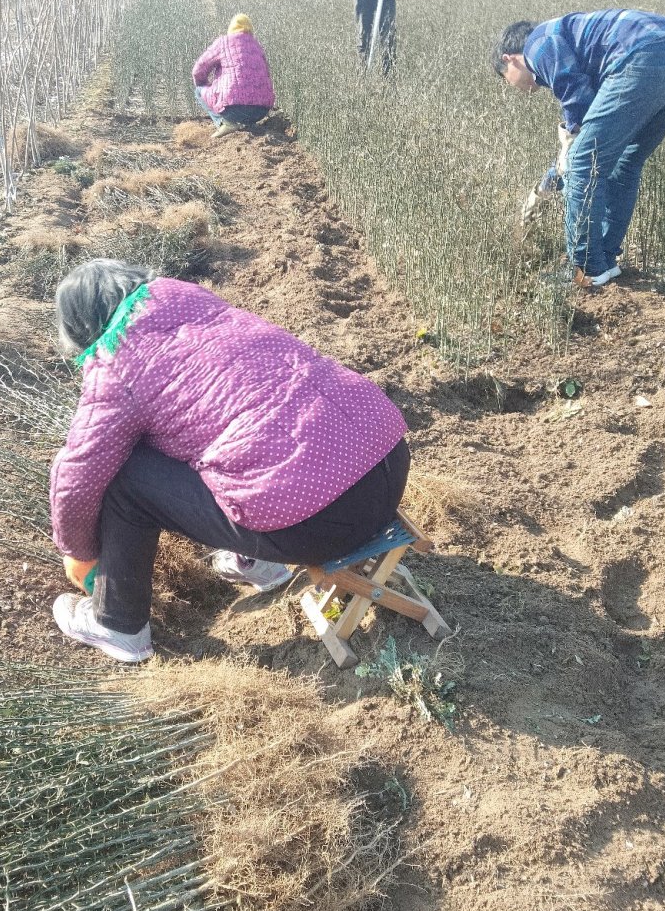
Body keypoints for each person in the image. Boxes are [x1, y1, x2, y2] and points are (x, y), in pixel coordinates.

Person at [50, 260, 410, 663]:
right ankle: (256, 563)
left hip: (320, 525)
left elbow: (78, 474)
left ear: (82, 329)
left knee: (126, 475)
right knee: (212, 425)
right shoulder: (190, 301)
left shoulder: (115, 364)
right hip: (387, 470)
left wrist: (78, 552)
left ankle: (118, 624)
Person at [492, 10, 665, 287]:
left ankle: (584, 268)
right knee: (625, 161)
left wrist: (568, 156)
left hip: (646, 56)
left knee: (583, 163)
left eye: (507, 79)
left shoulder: (538, 43)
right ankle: (604, 262)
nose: (516, 88)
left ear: (508, 60)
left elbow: (577, 100)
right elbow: (595, 121)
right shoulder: (582, 50)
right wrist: (556, 173)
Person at [192, 13, 275, 139]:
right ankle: (248, 125)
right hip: (261, 110)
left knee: (199, 91)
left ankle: (224, 123)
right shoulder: (257, 46)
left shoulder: (223, 42)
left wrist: (203, 84)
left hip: (233, 109)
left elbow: (198, 70)